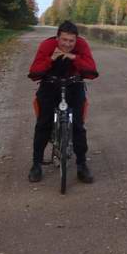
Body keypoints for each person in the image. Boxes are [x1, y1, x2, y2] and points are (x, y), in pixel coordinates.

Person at [27, 21, 99, 184]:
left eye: (71, 41)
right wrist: (51, 59)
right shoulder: (47, 45)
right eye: (64, 40)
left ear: (76, 40)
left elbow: (92, 71)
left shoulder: (81, 45)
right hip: (50, 85)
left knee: (78, 126)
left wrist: (74, 57)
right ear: (57, 37)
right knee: (43, 124)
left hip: (74, 85)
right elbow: (34, 72)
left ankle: (81, 165)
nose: (67, 44)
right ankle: (36, 164)